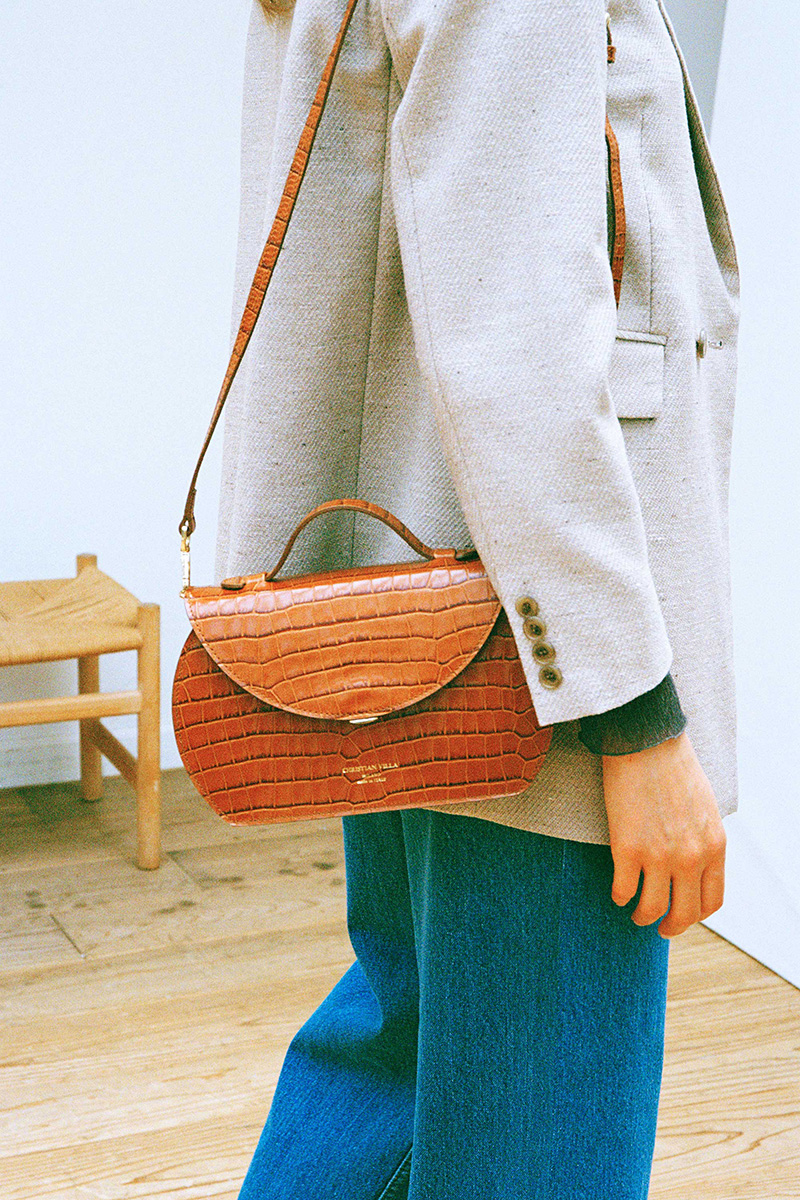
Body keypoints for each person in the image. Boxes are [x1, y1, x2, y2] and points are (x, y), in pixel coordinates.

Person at [214, 0, 740, 1195]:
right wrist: (632, 721)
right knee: (540, 1139)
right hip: (529, 661)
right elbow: (518, 342)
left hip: (416, 605)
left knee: (400, 1061)